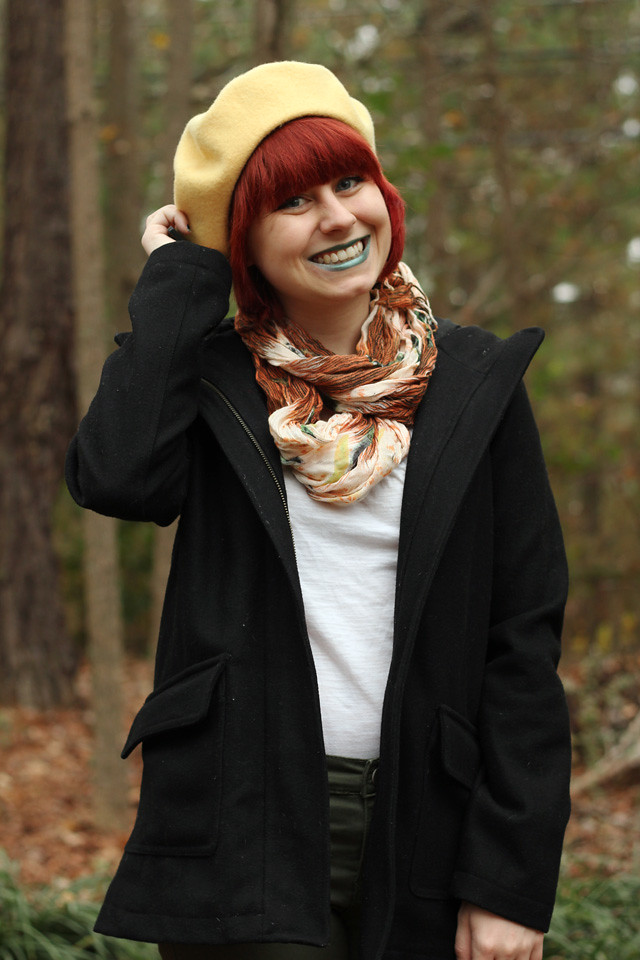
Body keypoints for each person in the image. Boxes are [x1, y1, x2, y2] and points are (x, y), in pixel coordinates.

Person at [66, 61, 571, 960]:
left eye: (351, 182)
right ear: (244, 244)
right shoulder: (213, 382)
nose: (339, 217)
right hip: (246, 816)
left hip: (430, 819)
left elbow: (521, 642)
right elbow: (116, 476)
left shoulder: (476, 384)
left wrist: (510, 882)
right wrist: (182, 276)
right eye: (294, 202)